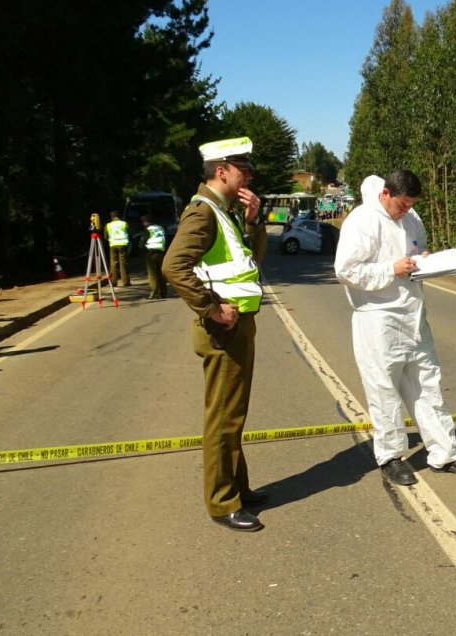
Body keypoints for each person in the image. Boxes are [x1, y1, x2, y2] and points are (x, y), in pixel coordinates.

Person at [333, 169, 456, 486]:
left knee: (428, 383)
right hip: (377, 318)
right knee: (384, 391)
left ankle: (444, 453)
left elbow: (415, 249)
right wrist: (390, 269)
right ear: (386, 193)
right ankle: (391, 456)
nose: (407, 210)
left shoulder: (412, 218)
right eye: (402, 204)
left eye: (411, 204)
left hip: (413, 315)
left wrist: (422, 259)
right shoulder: (361, 221)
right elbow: (345, 270)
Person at [162, 136, 268, 532]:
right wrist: (210, 307)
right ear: (221, 171)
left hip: (238, 326)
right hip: (222, 329)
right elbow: (174, 267)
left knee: (234, 414)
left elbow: (251, 260)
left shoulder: (226, 212)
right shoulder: (203, 212)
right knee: (223, 417)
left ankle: (238, 487)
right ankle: (222, 502)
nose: (249, 174)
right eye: (243, 168)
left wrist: (255, 220)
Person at [140, 213, 168, 299]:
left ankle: (155, 293)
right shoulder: (160, 228)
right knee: (161, 273)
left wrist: (142, 250)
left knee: (152, 274)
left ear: (145, 222)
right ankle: (163, 293)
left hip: (151, 253)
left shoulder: (147, 230)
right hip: (161, 252)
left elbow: (141, 243)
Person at [105, 211, 130, 287]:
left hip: (113, 245)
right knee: (123, 264)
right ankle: (125, 282)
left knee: (113, 263)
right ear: (119, 216)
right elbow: (129, 232)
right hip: (123, 244)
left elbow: (106, 236)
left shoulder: (108, 225)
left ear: (112, 217)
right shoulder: (124, 223)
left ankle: (113, 282)